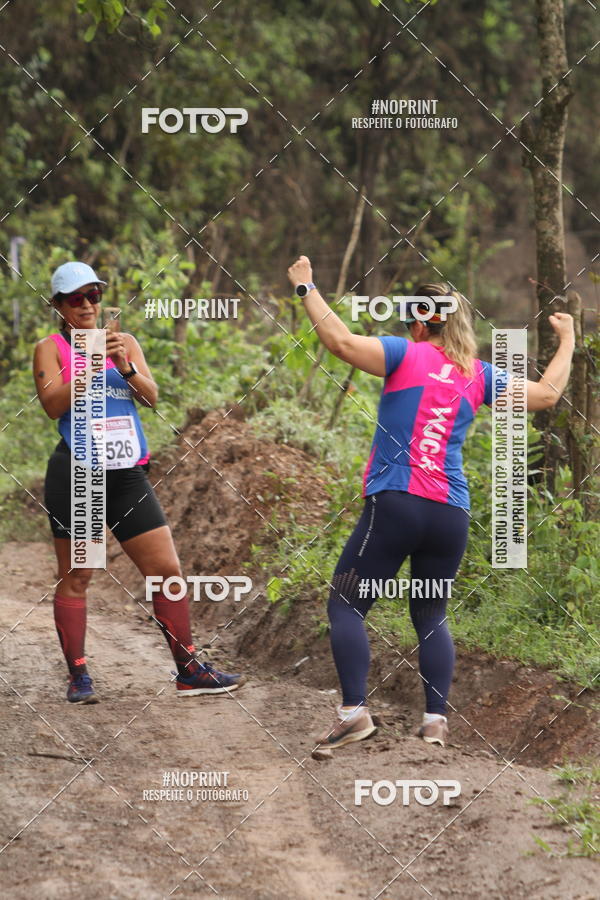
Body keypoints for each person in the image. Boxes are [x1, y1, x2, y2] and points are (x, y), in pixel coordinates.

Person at [287, 255, 574, 749]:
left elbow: (339, 342)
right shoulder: (477, 374)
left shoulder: (404, 353)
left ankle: (354, 711)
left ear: (421, 320)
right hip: (450, 514)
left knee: (346, 606)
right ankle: (435, 722)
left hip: (397, 503)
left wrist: (305, 288)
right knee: (431, 613)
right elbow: (547, 394)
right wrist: (568, 338)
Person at [34, 261, 245, 703]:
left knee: (166, 572)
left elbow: (151, 397)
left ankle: (189, 671)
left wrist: (123, 364)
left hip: (127, 474)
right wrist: (91, 361)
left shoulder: (124, 341)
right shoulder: (50, 347)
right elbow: (53, 405)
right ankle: (79, 677)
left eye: (94, 295)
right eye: (77, 298)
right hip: (79, 474)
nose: (88, 304)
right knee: (79, 575)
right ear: (59, 306)